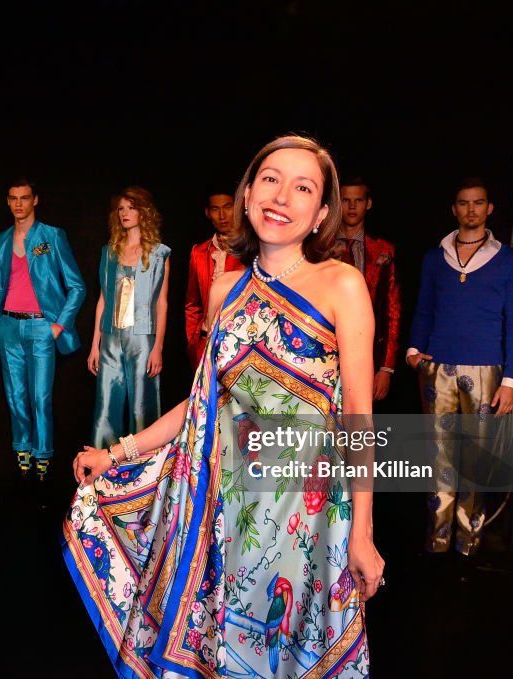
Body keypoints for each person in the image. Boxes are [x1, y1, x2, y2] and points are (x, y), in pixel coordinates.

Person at [65, 135, 382, 678]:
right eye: (270, 179)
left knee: (290, 649)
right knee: (231, 648)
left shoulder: (342, 285)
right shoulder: (225, 290)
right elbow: (201, 403)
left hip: (307, 513)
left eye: (302, 187)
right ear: (248, 193)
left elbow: (359, 417)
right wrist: (117, 453)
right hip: (228, 508)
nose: (281, 196)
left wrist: (362, 532)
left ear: (321, 212)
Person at [407, 177, 513, 557]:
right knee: (438, 457)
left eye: (478, 203)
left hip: (485, 371)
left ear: (489, 208)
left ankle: (467, 544)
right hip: (438, 367)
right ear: (454, 209)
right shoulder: (435, 258)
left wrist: (510, 380)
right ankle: (438, 541)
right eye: (464, 203)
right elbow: (424, 307)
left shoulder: (509, 260)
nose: (471, 209)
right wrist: (414, 349)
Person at [0, 179, 86, 482]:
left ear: (35, 201)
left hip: (41, 327)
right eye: (13, 198)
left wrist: (58, 326)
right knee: (14, 396)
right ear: (8, 201)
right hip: (8, 326)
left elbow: (77, 286)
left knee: (40, 396)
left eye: (24, 198)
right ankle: (22, 450)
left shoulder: (51, 236)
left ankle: (43, 454)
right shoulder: (1, 240)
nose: (19, 203)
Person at [87, 186, 171, 449]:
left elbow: (162, 303)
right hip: (111, 337)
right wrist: (95, 345)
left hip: (142, 339)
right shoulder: (109, 251)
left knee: (141, 408)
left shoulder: (159, 253)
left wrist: (157, 347)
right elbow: (102, 299)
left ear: (143, 211)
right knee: (106, 406)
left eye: (131, 207)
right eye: (121, 208)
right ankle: (103, 472)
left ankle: (144, 473)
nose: (124, 213)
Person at [335, 176, 400, 403]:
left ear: (368, 203)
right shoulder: (321, 250)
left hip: (368, 353)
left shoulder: (384, 249)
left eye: (358, 200)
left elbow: (393, 310)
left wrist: (386, 368)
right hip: (326, 351)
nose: (352, 206)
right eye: (345, 200)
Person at [185, 189, 244, 367]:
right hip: (206, 342)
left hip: (240, 342)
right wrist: (194, 342)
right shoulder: (199, 252)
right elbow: (192, 304)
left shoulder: (250, 250)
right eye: (215, 209)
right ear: (208, 213)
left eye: (227, 207)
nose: (222, 215)